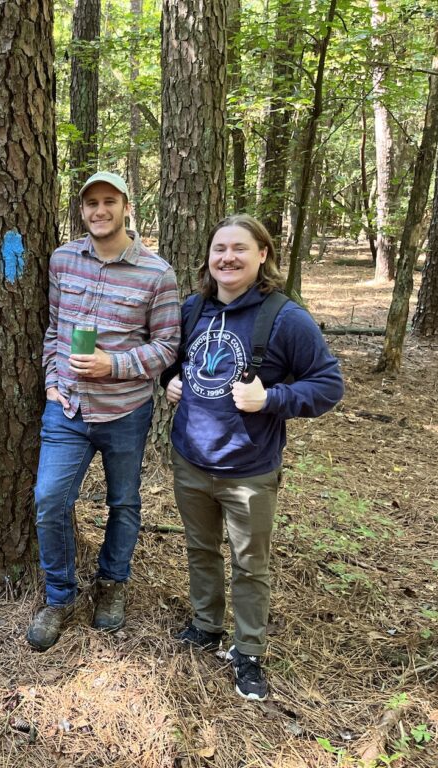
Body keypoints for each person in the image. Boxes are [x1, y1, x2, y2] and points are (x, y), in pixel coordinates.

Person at [163, 214, 343, 701]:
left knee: (249, 563)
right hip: (191, 460)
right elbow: (172, 362)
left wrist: (272, 400)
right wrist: (170, 383)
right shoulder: (192, 310)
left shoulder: (285, 317)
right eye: (220, 248)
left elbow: (329, 385)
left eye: (240, 248)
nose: (228, 257)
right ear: (208, 257)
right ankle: (206, 625)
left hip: (249, 471)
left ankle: (249, 650)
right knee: (201, 551)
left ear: (262, 255)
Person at [26, 171, 180, 652]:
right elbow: (54, 328)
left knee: (125, 503)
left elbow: (167, 347)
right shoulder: (63, 260)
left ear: (126, 206)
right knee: (50, 500)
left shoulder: (158, 273)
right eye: (90, 202)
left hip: (125, 411)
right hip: (67, 409)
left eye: (109, 201)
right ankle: (59, 596)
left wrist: (114, 364)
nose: (99, 210)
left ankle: (113, 584)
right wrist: (53, 381)